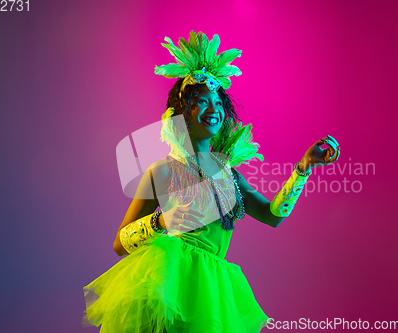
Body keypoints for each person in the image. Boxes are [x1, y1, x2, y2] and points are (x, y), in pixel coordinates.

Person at [82, 31, 341, 333]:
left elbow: (273, 216)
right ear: (181, 111)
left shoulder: (230, 176)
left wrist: (303, 168)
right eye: (200, 101)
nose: (213, 109)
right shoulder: (163, 171)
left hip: (213, 291)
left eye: (217, 102)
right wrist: (162, 222)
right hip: (170, 280)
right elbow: (119, 244)